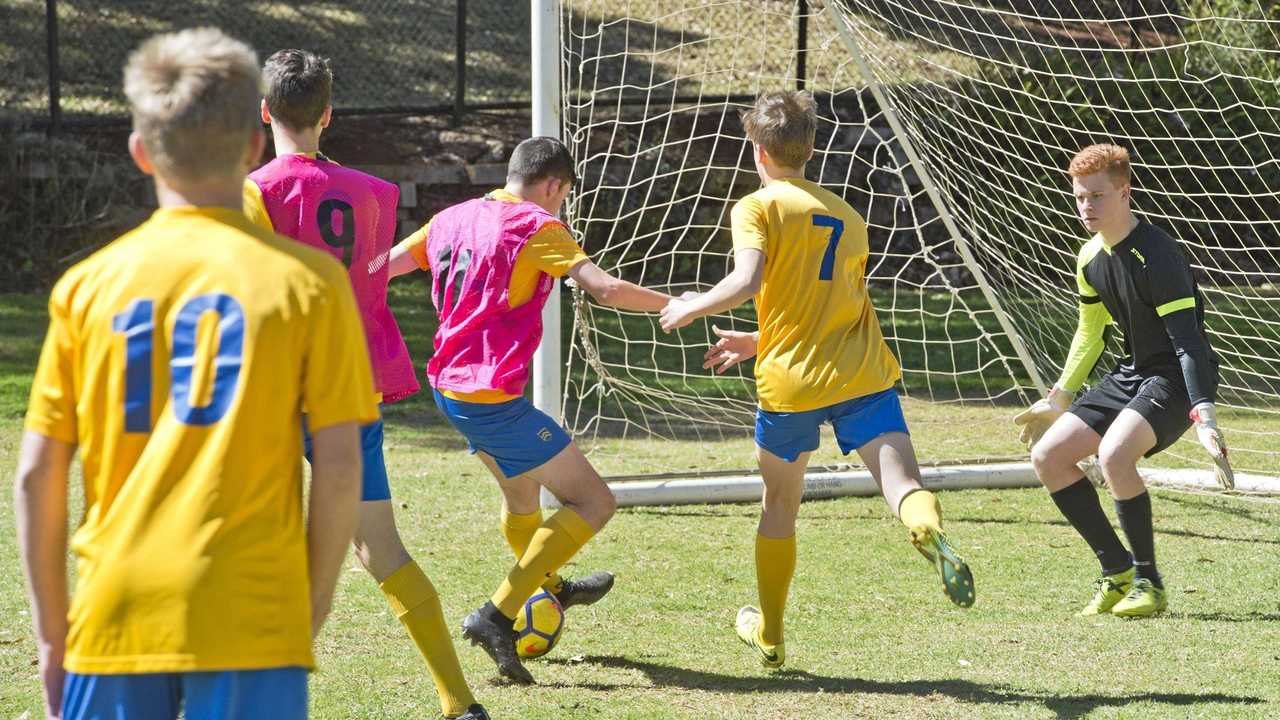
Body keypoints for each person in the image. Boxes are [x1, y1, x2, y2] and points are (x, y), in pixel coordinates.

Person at [15, 28, 375, 720]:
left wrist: (52, 635)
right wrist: (313, 602)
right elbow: (337, 462)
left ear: (141, 152)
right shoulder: (311, 284)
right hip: (254, 612)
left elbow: (36, 473)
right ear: (252, 145)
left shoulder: (88, 288)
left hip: (114, 613)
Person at [660, 90, 975, 670]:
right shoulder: (849, 217)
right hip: (861, 372)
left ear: (756, 150)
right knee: (902, 483)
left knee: (779, 504)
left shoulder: (758, 206)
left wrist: (694, 306)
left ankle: (772, 635)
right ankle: (927, 528)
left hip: (792, 385)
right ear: (810, 148)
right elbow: (829, 306)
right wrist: (757, 339)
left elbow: (749, 281)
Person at [243, 48, 486, 720]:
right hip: (349, 393)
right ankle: (458, 700)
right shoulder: (376, 196)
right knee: (382, 549)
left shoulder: (255, 192)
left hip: (278, 393)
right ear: (328, 114)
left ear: (264, 114)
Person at [388, 136, 673, 683]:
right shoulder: (539, 228)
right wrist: (676, 302)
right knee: (594, 502)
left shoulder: (454, 216)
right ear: (554, 186)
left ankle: (557, 588)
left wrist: (349, 263)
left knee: (522, 501)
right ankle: (495, 615)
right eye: (564, 196)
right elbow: (605, 290)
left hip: (451, 389)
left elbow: (390, 263)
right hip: (491, 400)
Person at [1014, 143, 1229, 618]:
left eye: (1096, 196)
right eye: (1079, 197)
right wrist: (1060, 398)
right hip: (1132, 372)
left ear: (1124, 192)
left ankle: (1150, 584)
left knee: (1114, 456)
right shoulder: (1089, 256)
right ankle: (1118, 571)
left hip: (1175, 376)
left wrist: (1204, 413)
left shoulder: (1160, 254)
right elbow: (1090, 333)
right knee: (1048, 456)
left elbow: (1188, 343)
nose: (1086, 206)